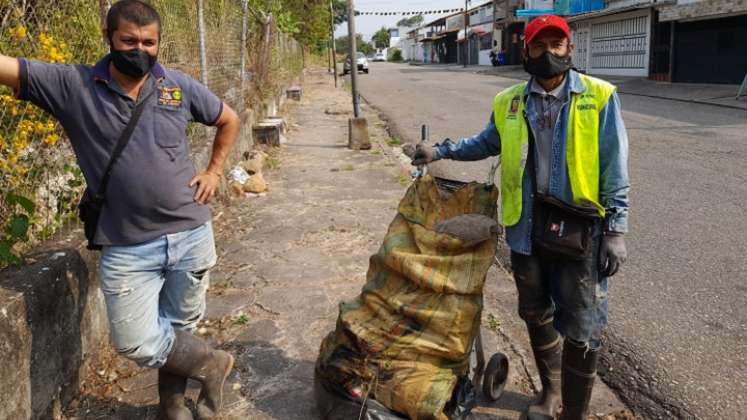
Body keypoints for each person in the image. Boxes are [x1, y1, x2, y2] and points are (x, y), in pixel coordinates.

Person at [0, 1, 240, 419]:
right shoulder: (72, 85)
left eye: (149, 42)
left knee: (179, 328)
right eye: (129, 40)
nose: (140, 50)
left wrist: (215, 172)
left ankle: (173, 407)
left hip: (190, 234)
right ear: (108, 38)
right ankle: (212, 364)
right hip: (128, 246)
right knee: (136, 341)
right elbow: (9, 68)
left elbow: (229, 119)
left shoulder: (176, 85)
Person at [412, 15, 629, 420]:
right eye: (538, 45)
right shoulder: (509, 101)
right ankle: (549, 393)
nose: (548, 53)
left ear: (570, 50)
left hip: (579, 229)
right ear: (525, 51)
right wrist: (440, 151)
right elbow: (486, 142)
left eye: (556, 45)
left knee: (582, 327)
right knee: (534, 313)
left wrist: (616, 229)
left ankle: (574, 414)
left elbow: (615, 166)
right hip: (526, 228)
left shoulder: (599, 96)